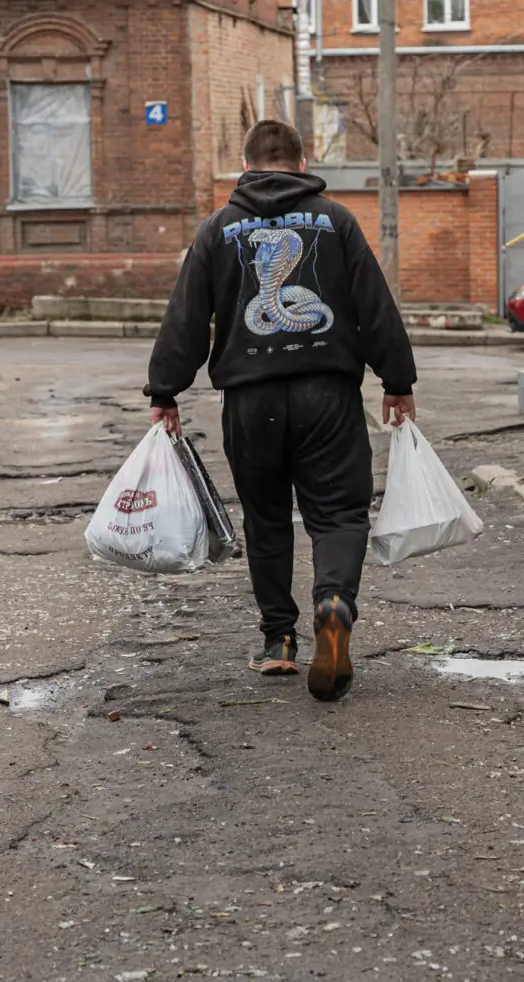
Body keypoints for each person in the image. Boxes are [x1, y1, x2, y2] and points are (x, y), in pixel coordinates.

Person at [145, 119, 416, 702]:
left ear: (245, 165)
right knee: (339, 512)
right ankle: (334, 601)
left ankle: (278, 644)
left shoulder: (218, 228)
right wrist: (398, 379)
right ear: (301, 161)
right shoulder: (337, 221)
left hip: (250, 398)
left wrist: (164, 391)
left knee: (266, 517)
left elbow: (188, 316)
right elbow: (373, 302)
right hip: (329, 395)